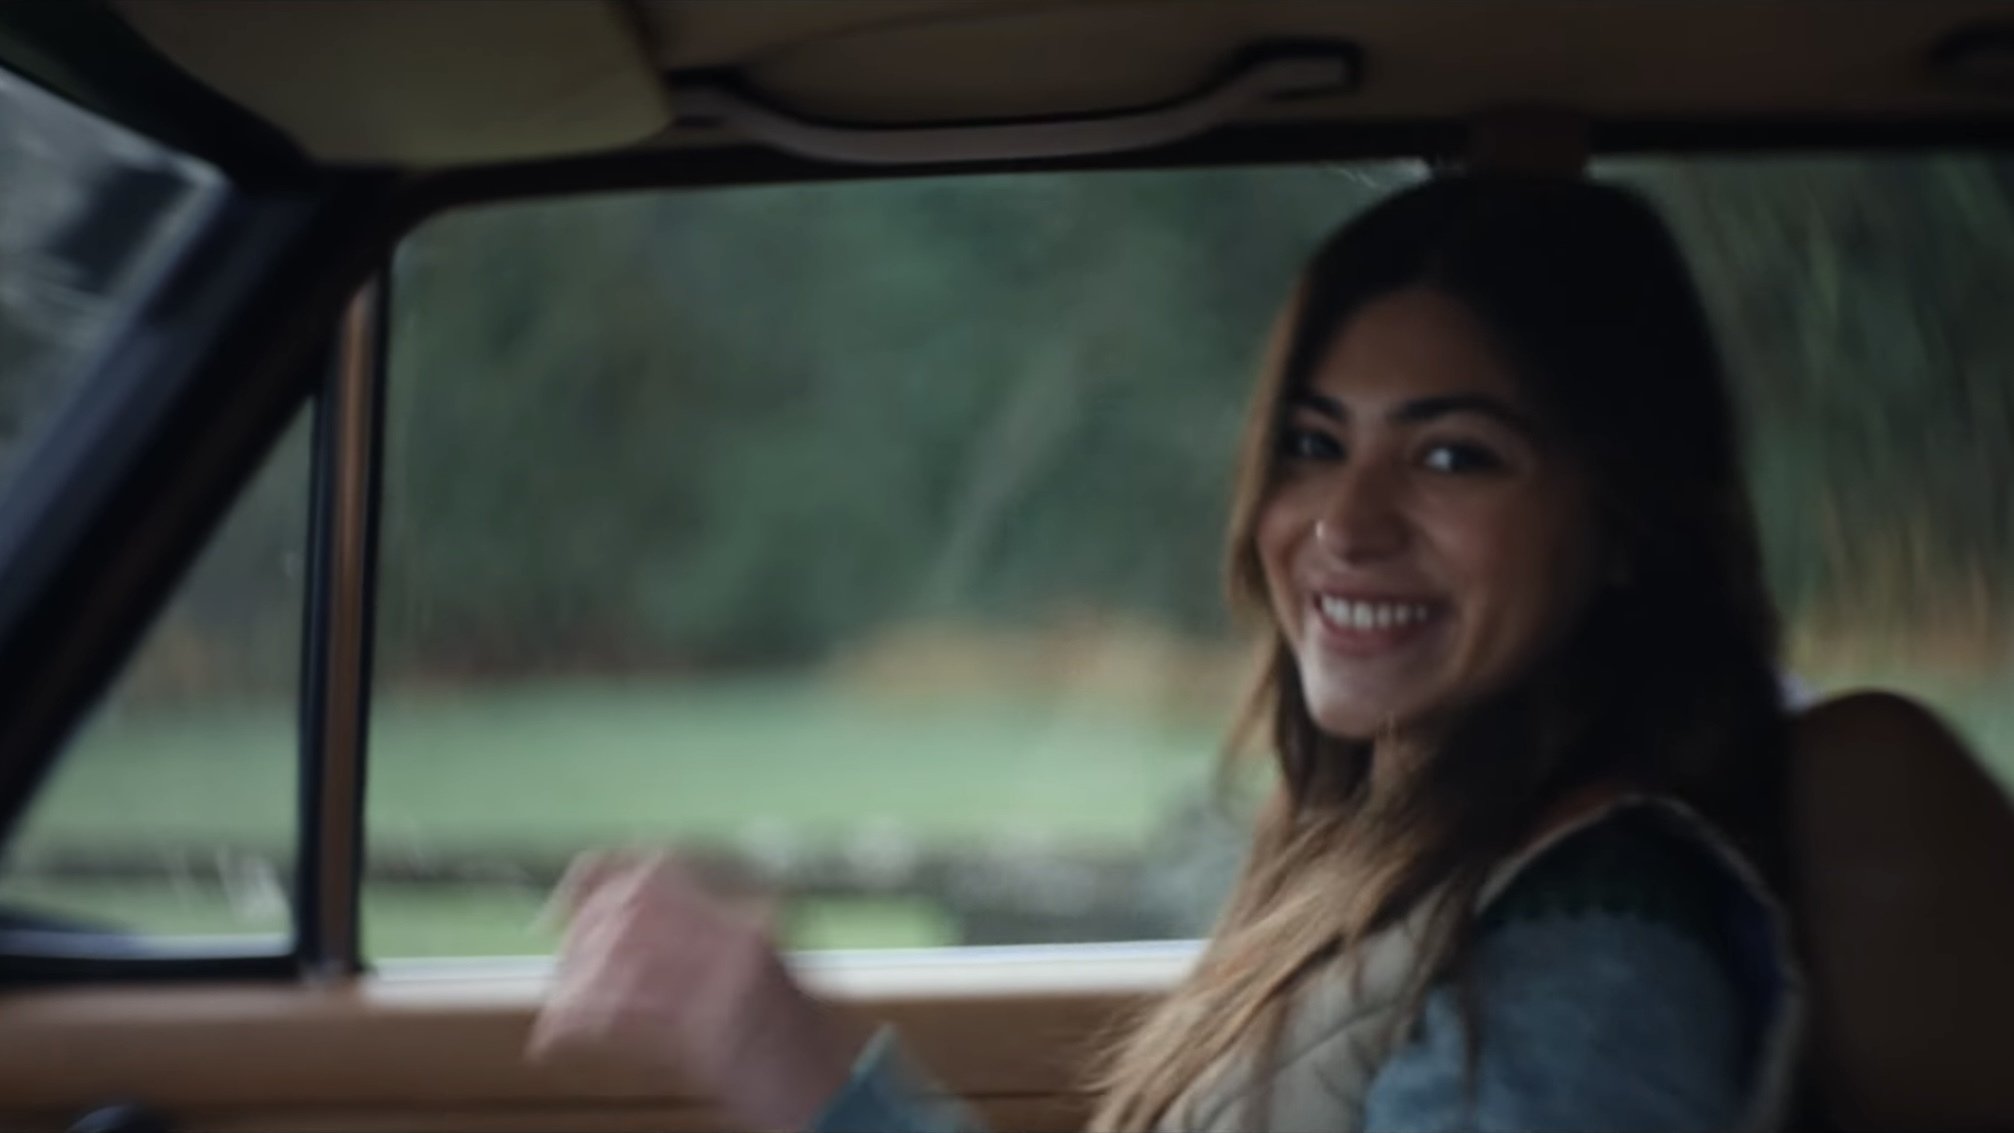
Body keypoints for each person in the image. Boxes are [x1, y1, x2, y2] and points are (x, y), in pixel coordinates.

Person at [527, 175, 1813, 1131]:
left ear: (1624, 519)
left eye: (1449, 455)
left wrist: (797, 1066)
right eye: (1312, 444)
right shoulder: (1393, 871)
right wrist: (787, 1059)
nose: (1344, 523)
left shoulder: (1587, 957)